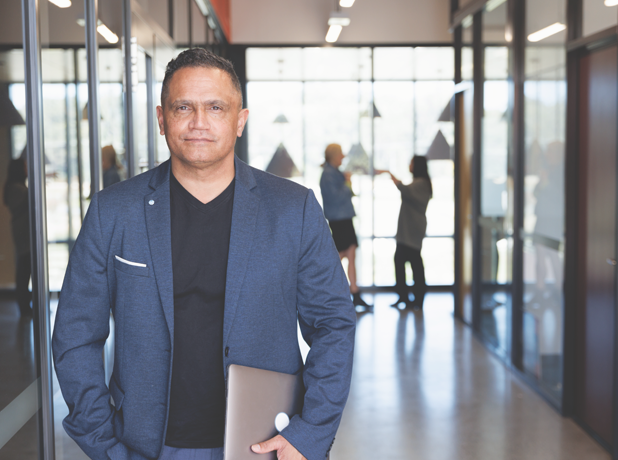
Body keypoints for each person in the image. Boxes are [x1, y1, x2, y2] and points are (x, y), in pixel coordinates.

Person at [52, 48, 356, 460]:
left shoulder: (293, 209)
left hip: (264, 443)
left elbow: (334, 323)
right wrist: (102, 443)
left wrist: (310, 432)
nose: (199, 122)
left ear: (240, 120)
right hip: (143, 446)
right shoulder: (114, 211)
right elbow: (76, 333)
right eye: (183, 107)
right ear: (162, 119)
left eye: (216, 107)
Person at [319, 143, 371, 309]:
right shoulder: (328, 174)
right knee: (340, 255)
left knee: (351, 252)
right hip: (339, 219)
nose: (343, 157)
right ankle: (325, 289)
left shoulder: (334, 172)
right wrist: (347, 182)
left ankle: (354, 292)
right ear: (334, 156)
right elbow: (335, 197)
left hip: (345, 218)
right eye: (340, 154)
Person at [387, 155, 432, 309]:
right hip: (408, 231)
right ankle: (405, 297)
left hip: (412, 231)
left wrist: (390, 174)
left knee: (413, 264)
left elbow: (405, 190)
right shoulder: (420, 183)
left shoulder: (421, 184)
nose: (409, 165)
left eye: (411, 163)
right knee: (403, 262)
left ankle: (415, 298)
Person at [3, 158, 32, 317]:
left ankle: (25, 305)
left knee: (25, 268)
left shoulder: (17, 187)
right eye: (25, 166)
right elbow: (31, 197)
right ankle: (24, 306)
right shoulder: (16, 188)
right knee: (24, 269)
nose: (27, 169)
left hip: (22, 232)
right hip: (23, 233)